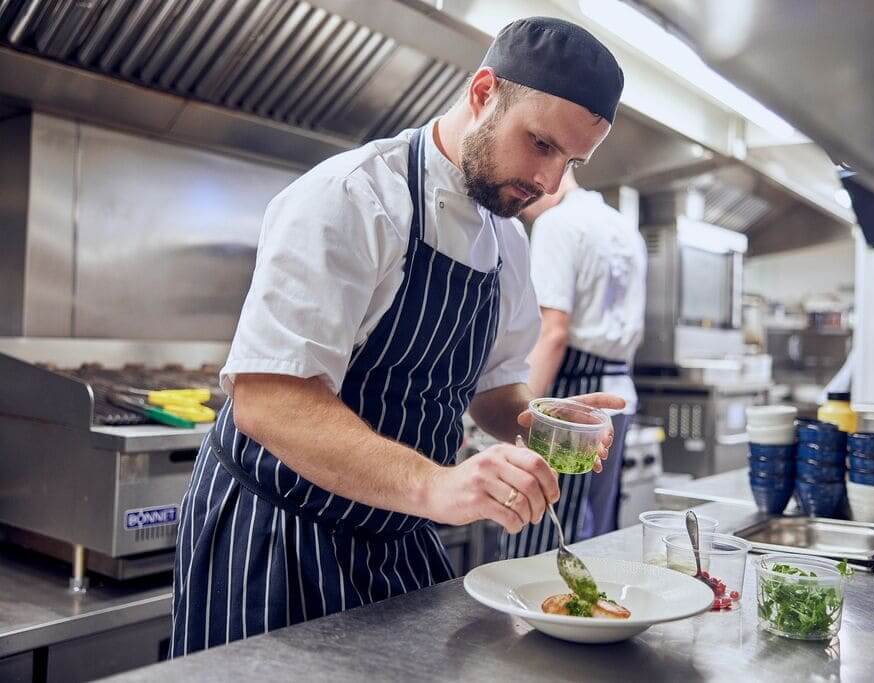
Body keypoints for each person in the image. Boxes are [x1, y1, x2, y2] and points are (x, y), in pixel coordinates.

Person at [170, 17, 626, 656]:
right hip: (277, 533)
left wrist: (544, 425)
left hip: (398, 533)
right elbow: (268, 400)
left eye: (570, 162)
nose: (549, 184)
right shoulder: (350, 197)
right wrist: (439, 487)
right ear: (483, 92)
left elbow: (492, 388)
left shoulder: (507, 241)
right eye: (543, 145)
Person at [499, 170, 646, 559]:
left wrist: (525, 415)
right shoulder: (623, 228)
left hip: (571, 400)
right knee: (595, 537)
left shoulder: (557, 224)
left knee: (541, 542)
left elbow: (553, 332)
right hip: (617, 396)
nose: (524, 208)